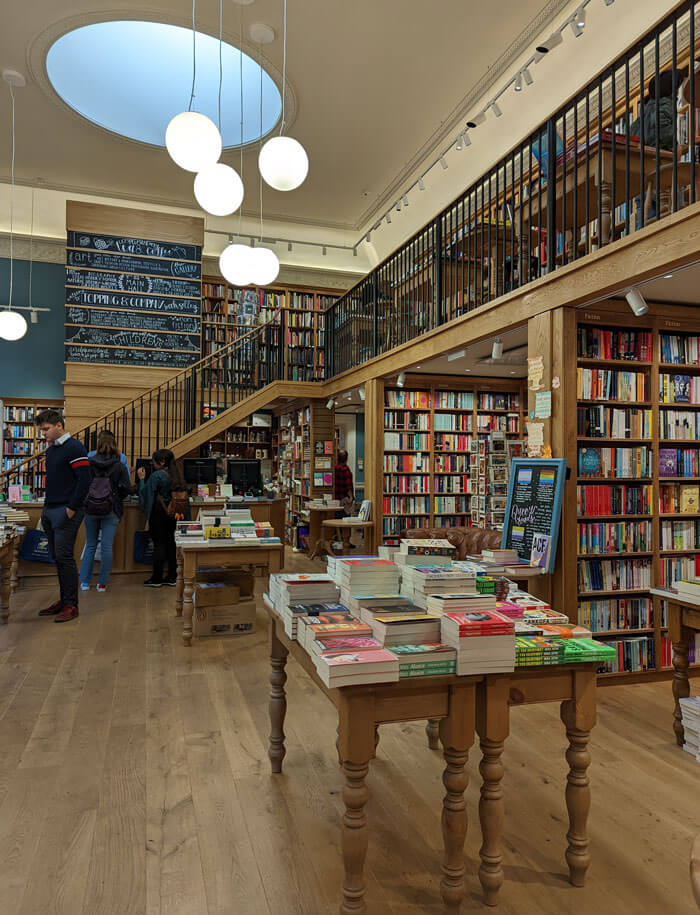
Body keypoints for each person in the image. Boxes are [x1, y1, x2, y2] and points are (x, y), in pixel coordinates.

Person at [35, 408, 91, 622]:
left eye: (47, 429)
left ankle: (71, 605)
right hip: (50, 508)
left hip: (67, 510)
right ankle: (64, 599)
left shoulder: (74, 447)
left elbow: (84, 481)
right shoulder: (51, 450)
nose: (44, 433)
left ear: (59, 425)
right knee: (57, 557)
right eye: (41, 430)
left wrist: (71, 508)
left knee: (64, 557)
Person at [80, 430, 131, 593]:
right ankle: (102, 584)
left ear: (99, 445)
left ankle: (85, 583)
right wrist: (115, 497)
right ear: (115, 445)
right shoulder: (120, 465)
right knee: (107, 546)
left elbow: (81, 484)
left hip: (90, 508)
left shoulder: (88, 461)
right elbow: (127, 488)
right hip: (111, 508)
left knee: (90, 544)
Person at [137, 448, 182, 587]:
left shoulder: (157, 476)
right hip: (174, 513)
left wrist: (142, 480)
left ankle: (157, 578)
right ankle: (172, 576)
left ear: (162, 462)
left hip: (159, 513)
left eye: (154, 462)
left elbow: (146, 493)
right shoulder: (177, 474)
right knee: (171, 543)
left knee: (159, 545)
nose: (153, 465)